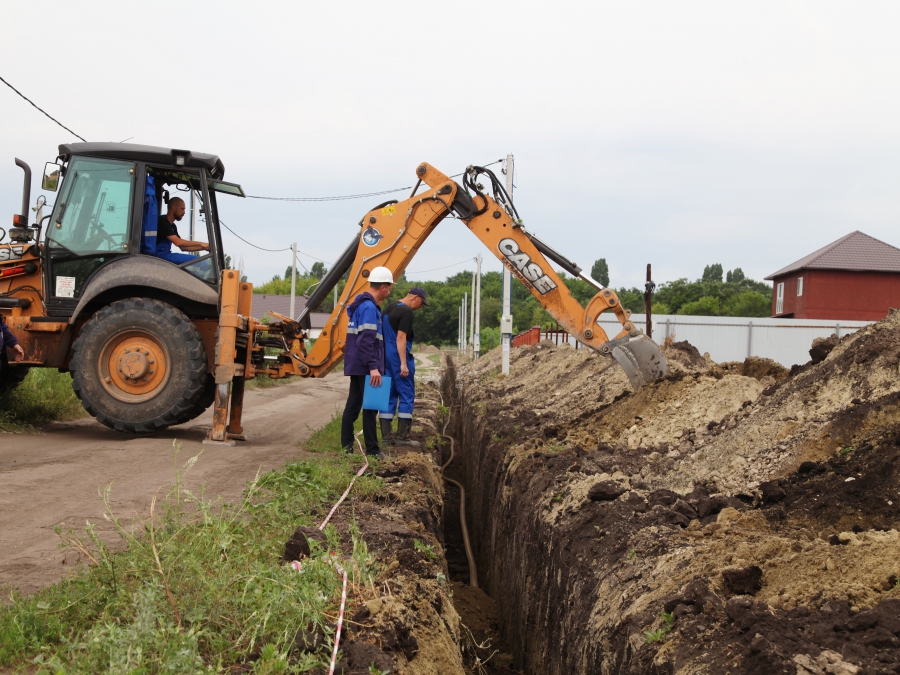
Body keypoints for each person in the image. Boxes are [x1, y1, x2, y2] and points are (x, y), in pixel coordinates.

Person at [341, 266, 394, 459]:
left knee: (353, 407)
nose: (389, 291)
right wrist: (373, 367)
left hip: (357, 364)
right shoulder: (369, 308)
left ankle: (346, 448)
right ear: (382, 287)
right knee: (371, 408)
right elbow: (366, 341)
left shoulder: (361, 306)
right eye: (389, 287)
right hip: (365, 366)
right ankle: (373, 450)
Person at [380, 286, 428, 447]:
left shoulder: (389, 307)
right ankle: (403, 437)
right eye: (421, 303)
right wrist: (403, 363)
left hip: (384, 356)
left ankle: (387, 439)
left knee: (388, 395)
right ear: (415, 297)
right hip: (397, 355)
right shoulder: (406, 312)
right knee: (406, 394)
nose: (421, 307)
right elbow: (401, 338)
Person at [156, 197, 210, 264]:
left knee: (201, 262)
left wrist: (205, 247)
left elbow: (183, 247)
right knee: (202, 263)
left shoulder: (173, 226)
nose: (184, 212)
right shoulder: (162, 221)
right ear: (173, 207)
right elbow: (177, 242)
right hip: (158, 255)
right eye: (182, 209)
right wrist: (201, 243)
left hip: (165, 254)